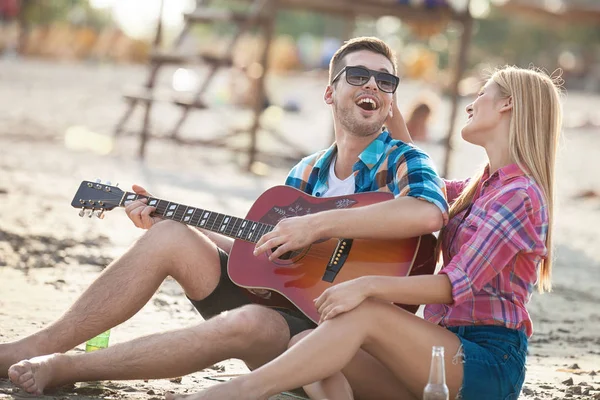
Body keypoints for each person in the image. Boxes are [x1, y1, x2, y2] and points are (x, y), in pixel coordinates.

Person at [4, 36, 448, 395]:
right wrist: (174, 220)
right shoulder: (306, 171)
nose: (372, 84)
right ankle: (41, 345)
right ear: (330, 92)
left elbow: (429, 213)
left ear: (391, 102)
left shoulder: (404, 160)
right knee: (172, 236)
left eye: (385, 80)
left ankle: (68, 367)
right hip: (290, 312)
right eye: (358, 74)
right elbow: (266, 257)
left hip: (343, 346)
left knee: (250, 320)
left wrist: (316, 225)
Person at [161, 66, 563, 400]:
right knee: (310, 350)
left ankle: (241, 392)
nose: (471, 104)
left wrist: (367, 286)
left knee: (365, 311)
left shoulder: (520, 195)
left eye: (483, 94)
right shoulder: (480, 186)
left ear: (507, 103)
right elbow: (422, 191)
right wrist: (390, 111)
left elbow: (452, 285)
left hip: (484, 364)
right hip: (433, 350)